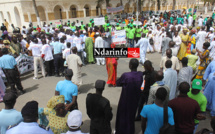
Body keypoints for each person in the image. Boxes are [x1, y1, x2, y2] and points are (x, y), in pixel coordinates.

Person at [115, 59, 143, 134]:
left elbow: (118, 83)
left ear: (130, 65)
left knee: (123, 115)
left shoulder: (126, 75)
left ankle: (121, 131)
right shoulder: (140, 75)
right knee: (131, 115)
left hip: (125, 99)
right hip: (135, 99)